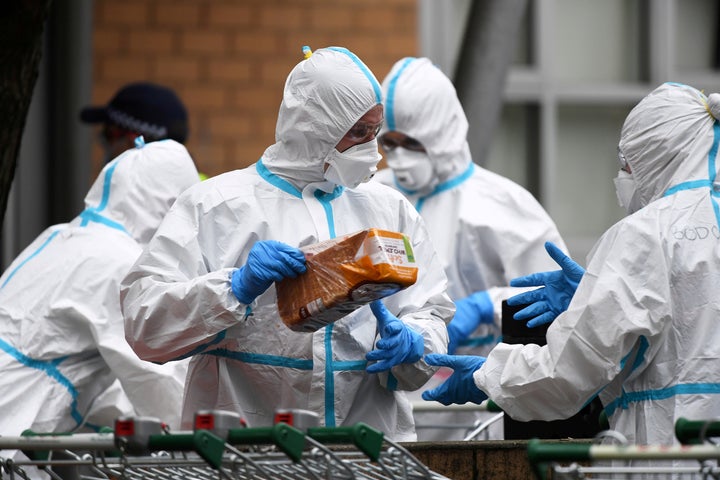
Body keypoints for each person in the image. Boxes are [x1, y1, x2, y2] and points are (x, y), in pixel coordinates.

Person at [120, 46, 453, 441]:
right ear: (316, 127)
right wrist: (233, 289)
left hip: (367, 452)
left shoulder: (389, 209)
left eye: (375, 130)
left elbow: (431, 307)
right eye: (359, 133)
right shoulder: (217, 206)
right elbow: (145, 325)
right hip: (248, 455)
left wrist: (413, 341)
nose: (372, 149)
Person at [423, 82, 720, 446]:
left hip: (670, 447)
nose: (623, 177)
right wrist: (594, 298)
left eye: (627, 165)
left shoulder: (645, 235)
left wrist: (487, 375)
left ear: (653, 156)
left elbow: (567, 374)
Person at [373, 56, 568, 440]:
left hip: (478, 405)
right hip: (386, 407)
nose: (398, 157)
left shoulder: (505, 206)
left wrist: (486, 305)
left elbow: (557, 302)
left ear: (442, 132)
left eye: (411, 143)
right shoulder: (373, 196)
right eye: (388, 143)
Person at [0, 139, 200, 445]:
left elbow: (94, 379)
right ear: (168, 207)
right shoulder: (116, 264)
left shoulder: (60, 236)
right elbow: (158, 382)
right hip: (13, 424)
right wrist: (211, 436)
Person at [80, 81, 189, 164]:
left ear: (133, 142)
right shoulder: (196, 186)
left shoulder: (128, 192)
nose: (105, 145)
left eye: (108, 135)